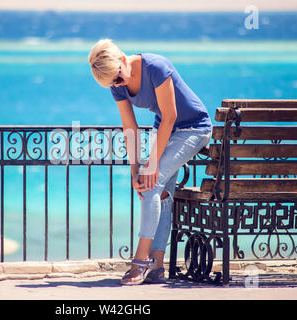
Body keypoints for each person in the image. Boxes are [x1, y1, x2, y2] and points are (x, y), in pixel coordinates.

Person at [88, 39, 213, 285]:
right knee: (158, 190)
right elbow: (130, 128)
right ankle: (156, 265)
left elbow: (171, 116)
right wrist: (135, 169)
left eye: (118, 77)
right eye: (113, 82)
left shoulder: (156, 66)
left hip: (193, 128)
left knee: (151, 185)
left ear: (122, 59)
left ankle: (140, 261)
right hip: (165, 130)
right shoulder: (118, 84)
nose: (118, 83)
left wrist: (152, 164)